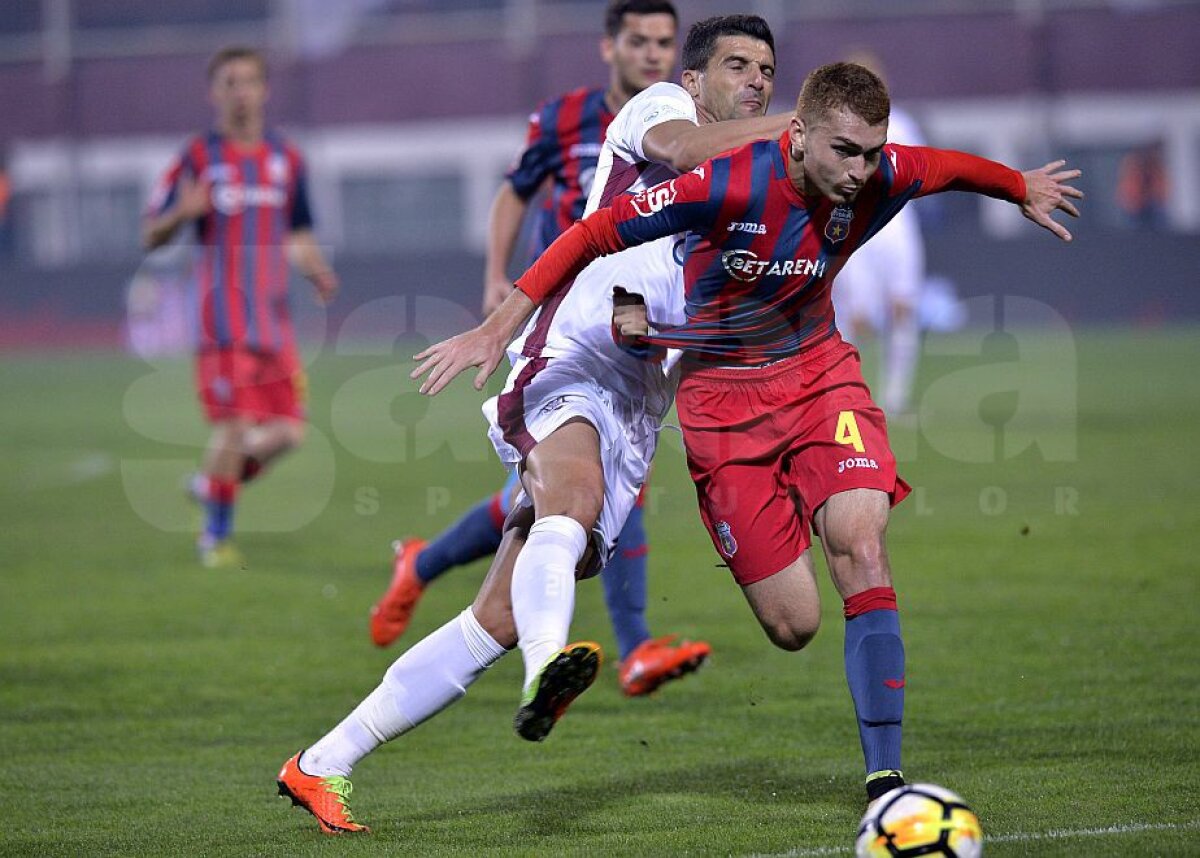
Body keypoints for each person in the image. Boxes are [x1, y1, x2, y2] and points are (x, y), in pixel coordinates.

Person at [412, 62, 1082, 808]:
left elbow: (952, 169)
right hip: (722, 402)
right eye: (844, 152)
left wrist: (1020, 186)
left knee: (862, 540)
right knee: (794, 625)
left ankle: (885, 779)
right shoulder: (726, 184)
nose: (862, 171)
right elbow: (596, 231)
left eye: (873, 152)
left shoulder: (885, 174)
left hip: (820, 373)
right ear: (797, 139)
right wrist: (499, 323)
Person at [277, 15, 790, 834]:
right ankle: (549, 670)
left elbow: (703, 313)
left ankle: (319, 764)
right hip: (570, 359)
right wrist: (806, 126)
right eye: (738, 65)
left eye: (768, 69)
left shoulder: (752, 190)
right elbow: (683, 155)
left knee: (496, 617)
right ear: (695, 81)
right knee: (571, 499)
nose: (758, 81)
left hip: (635, 404)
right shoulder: (660, 109)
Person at [370, 0, 710, 699]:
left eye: (664, 43)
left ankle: (424, 562)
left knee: (546, 502)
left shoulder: (691, 130)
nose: (651, 54)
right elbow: (515, 191)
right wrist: (499, 278)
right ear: (607, 47)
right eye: (638, 41)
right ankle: (634, 647)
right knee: (591, 490)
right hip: (561, 317)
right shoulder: (567, 119)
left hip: (624, 320)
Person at [142, 46, 338, 568]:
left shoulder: (287, 159)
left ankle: (212, 484)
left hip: (272, 324)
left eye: (249, 81)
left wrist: (315, 269)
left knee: (288, 433)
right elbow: (151, 235)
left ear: (265, 90)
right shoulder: (197, 158)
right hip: (220, 322)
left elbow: (296, 231)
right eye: (230, 82)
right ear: (215, 93)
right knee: (233, 426)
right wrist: (180, 214)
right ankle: (215, 538)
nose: (241, 92)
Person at [832, 50, 926, 417]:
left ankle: (896, 399)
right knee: (856, 317)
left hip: (899, 225)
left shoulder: (900, 124)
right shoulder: (834, 129)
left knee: (904, 309)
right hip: (855, 227)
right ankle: (840, 397)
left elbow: (921, 175)